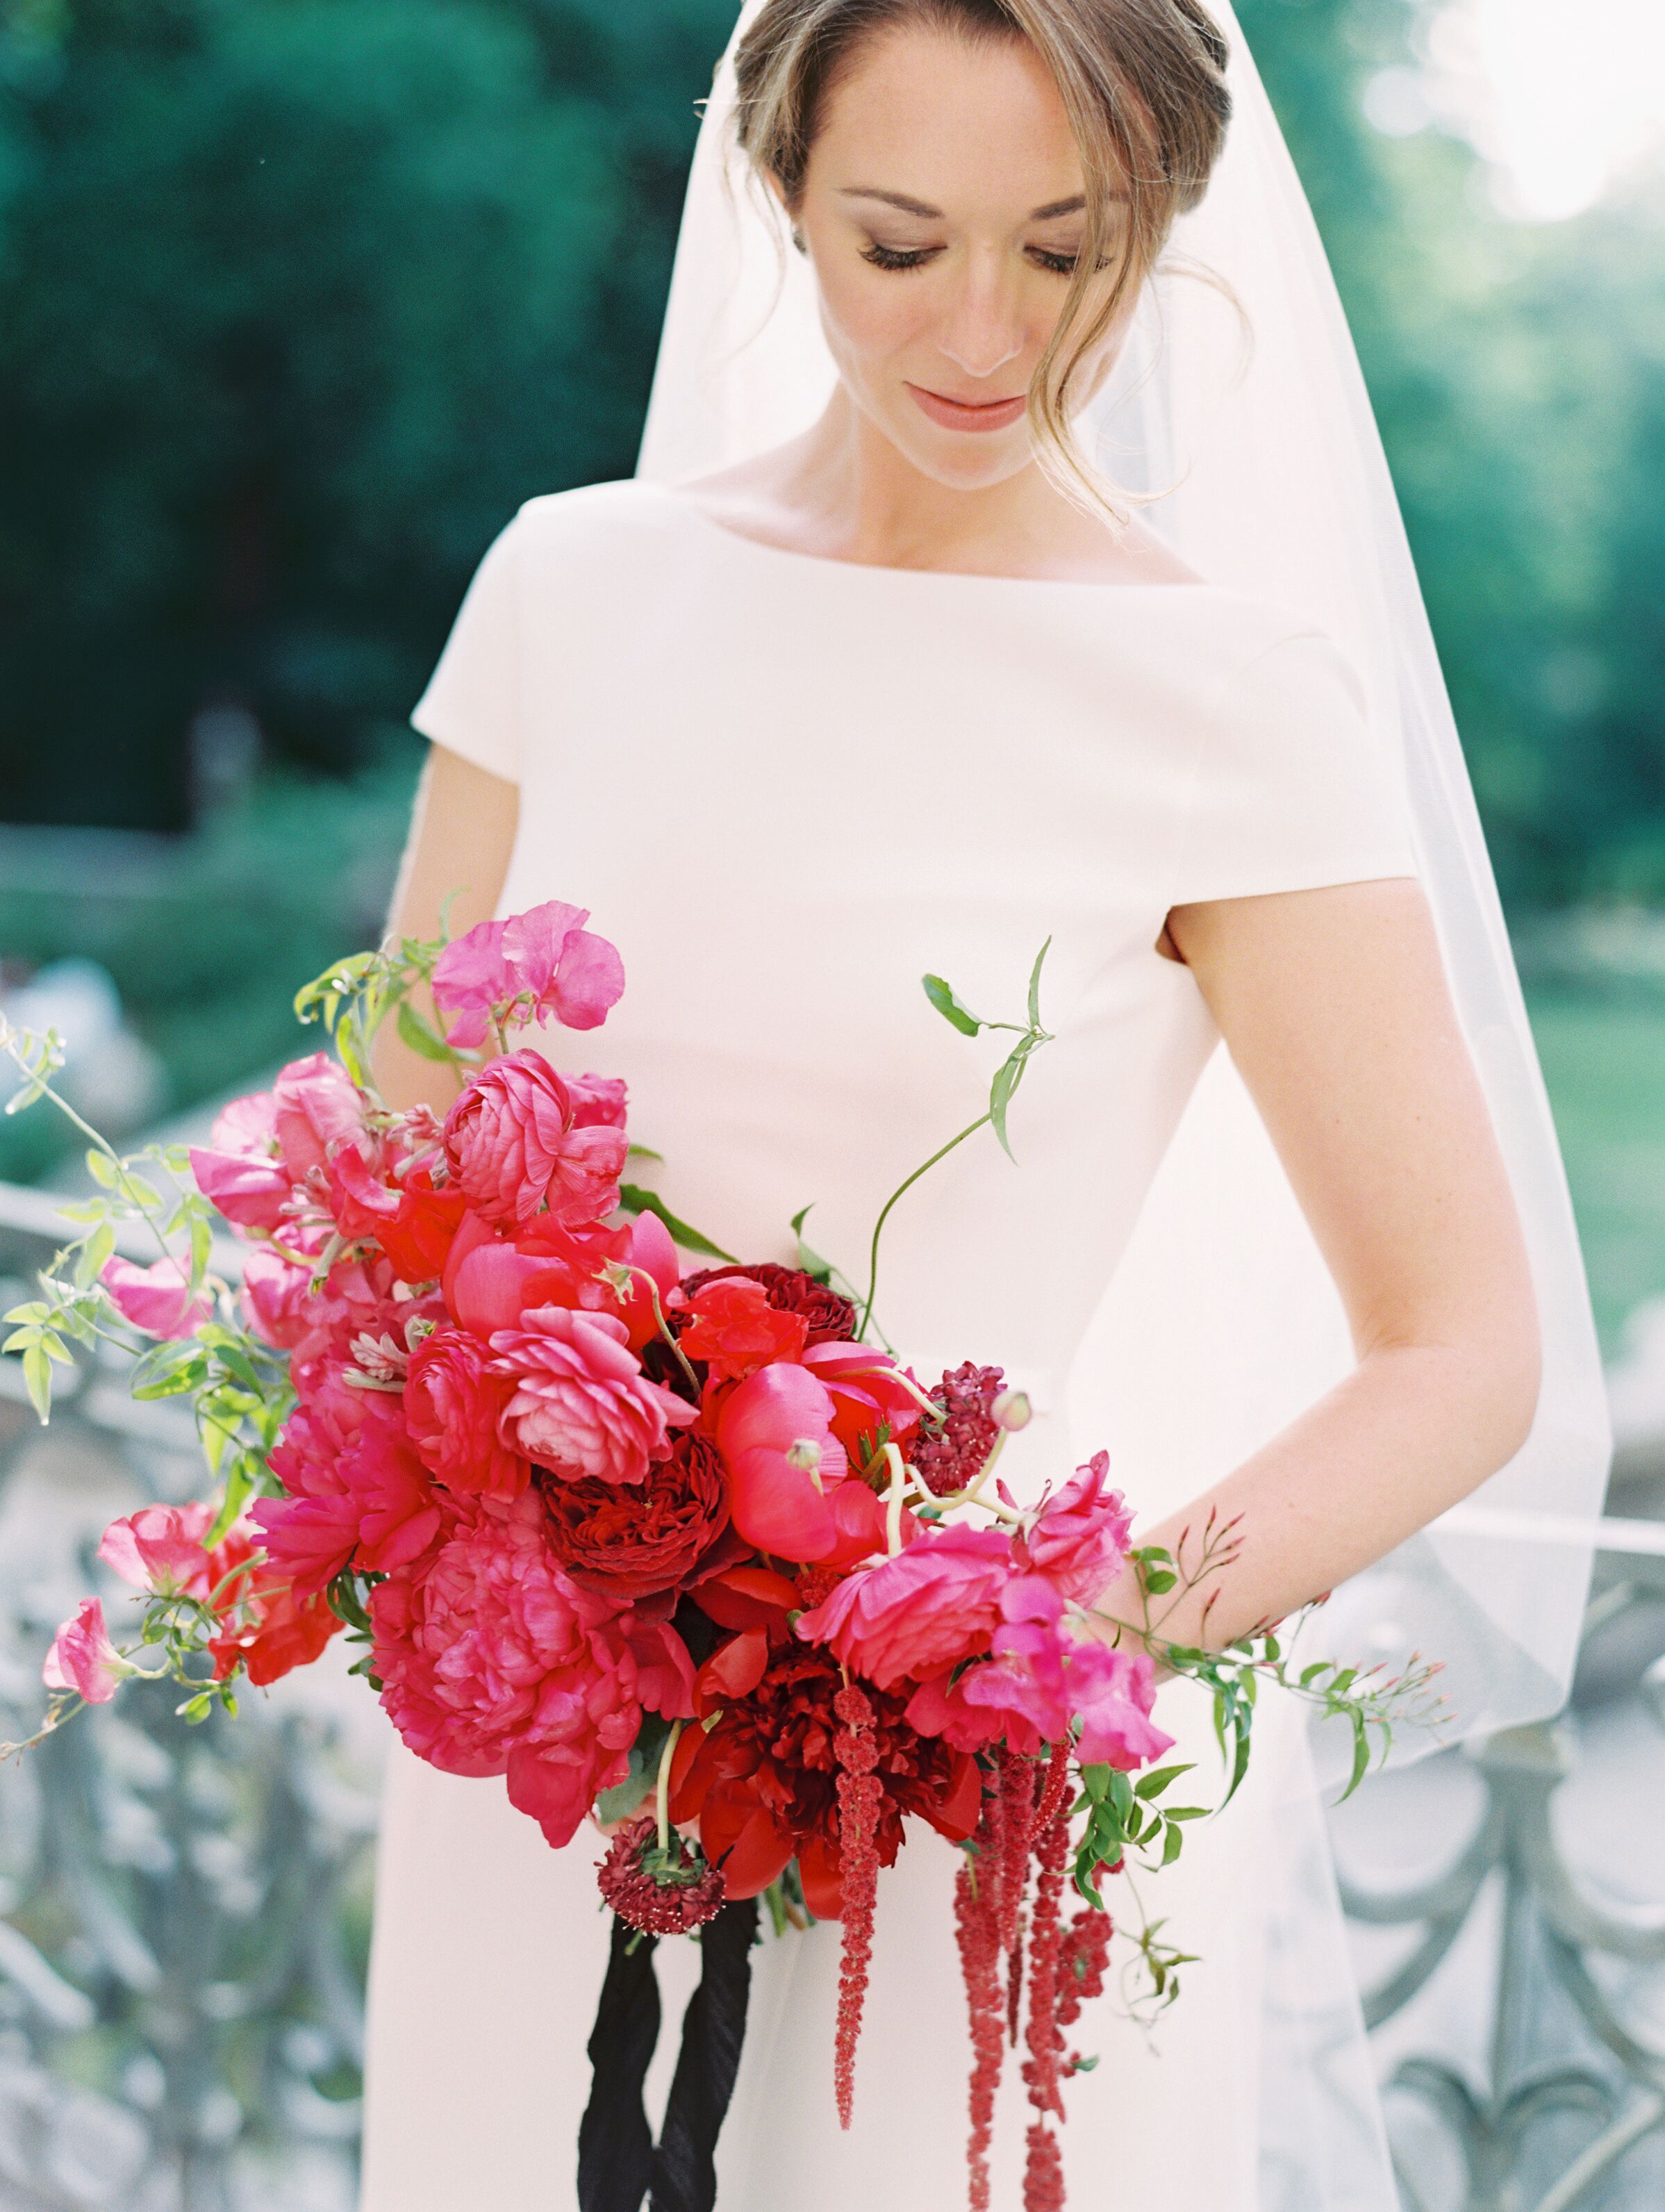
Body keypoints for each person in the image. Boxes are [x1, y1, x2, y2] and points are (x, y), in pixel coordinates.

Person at [358, 3, 1605, 2206]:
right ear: (779, 194)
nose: (986, 331)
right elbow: (392, 1164)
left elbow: (1462, 1350)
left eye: (1070, 247)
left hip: (928, 1820)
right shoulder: (571, 586)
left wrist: (1049, 1648)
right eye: (901, 242)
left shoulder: (1236, 701)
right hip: (541, 1781)